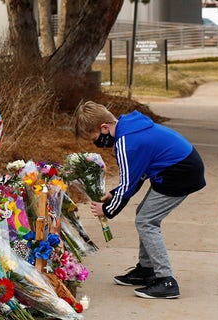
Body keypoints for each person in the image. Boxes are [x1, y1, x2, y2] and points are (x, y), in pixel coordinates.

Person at [73, 101, 206, 299]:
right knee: (143, 215)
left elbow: (128, 186)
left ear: (104, 128)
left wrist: (108, 209)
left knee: (146, 221)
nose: (96, 143)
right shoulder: (129, 126)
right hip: (178, 168)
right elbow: (136, 176)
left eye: (95, 138)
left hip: (180, 173)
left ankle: (166, 281)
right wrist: (114, 194)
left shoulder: (127, 142)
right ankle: (146, 269)